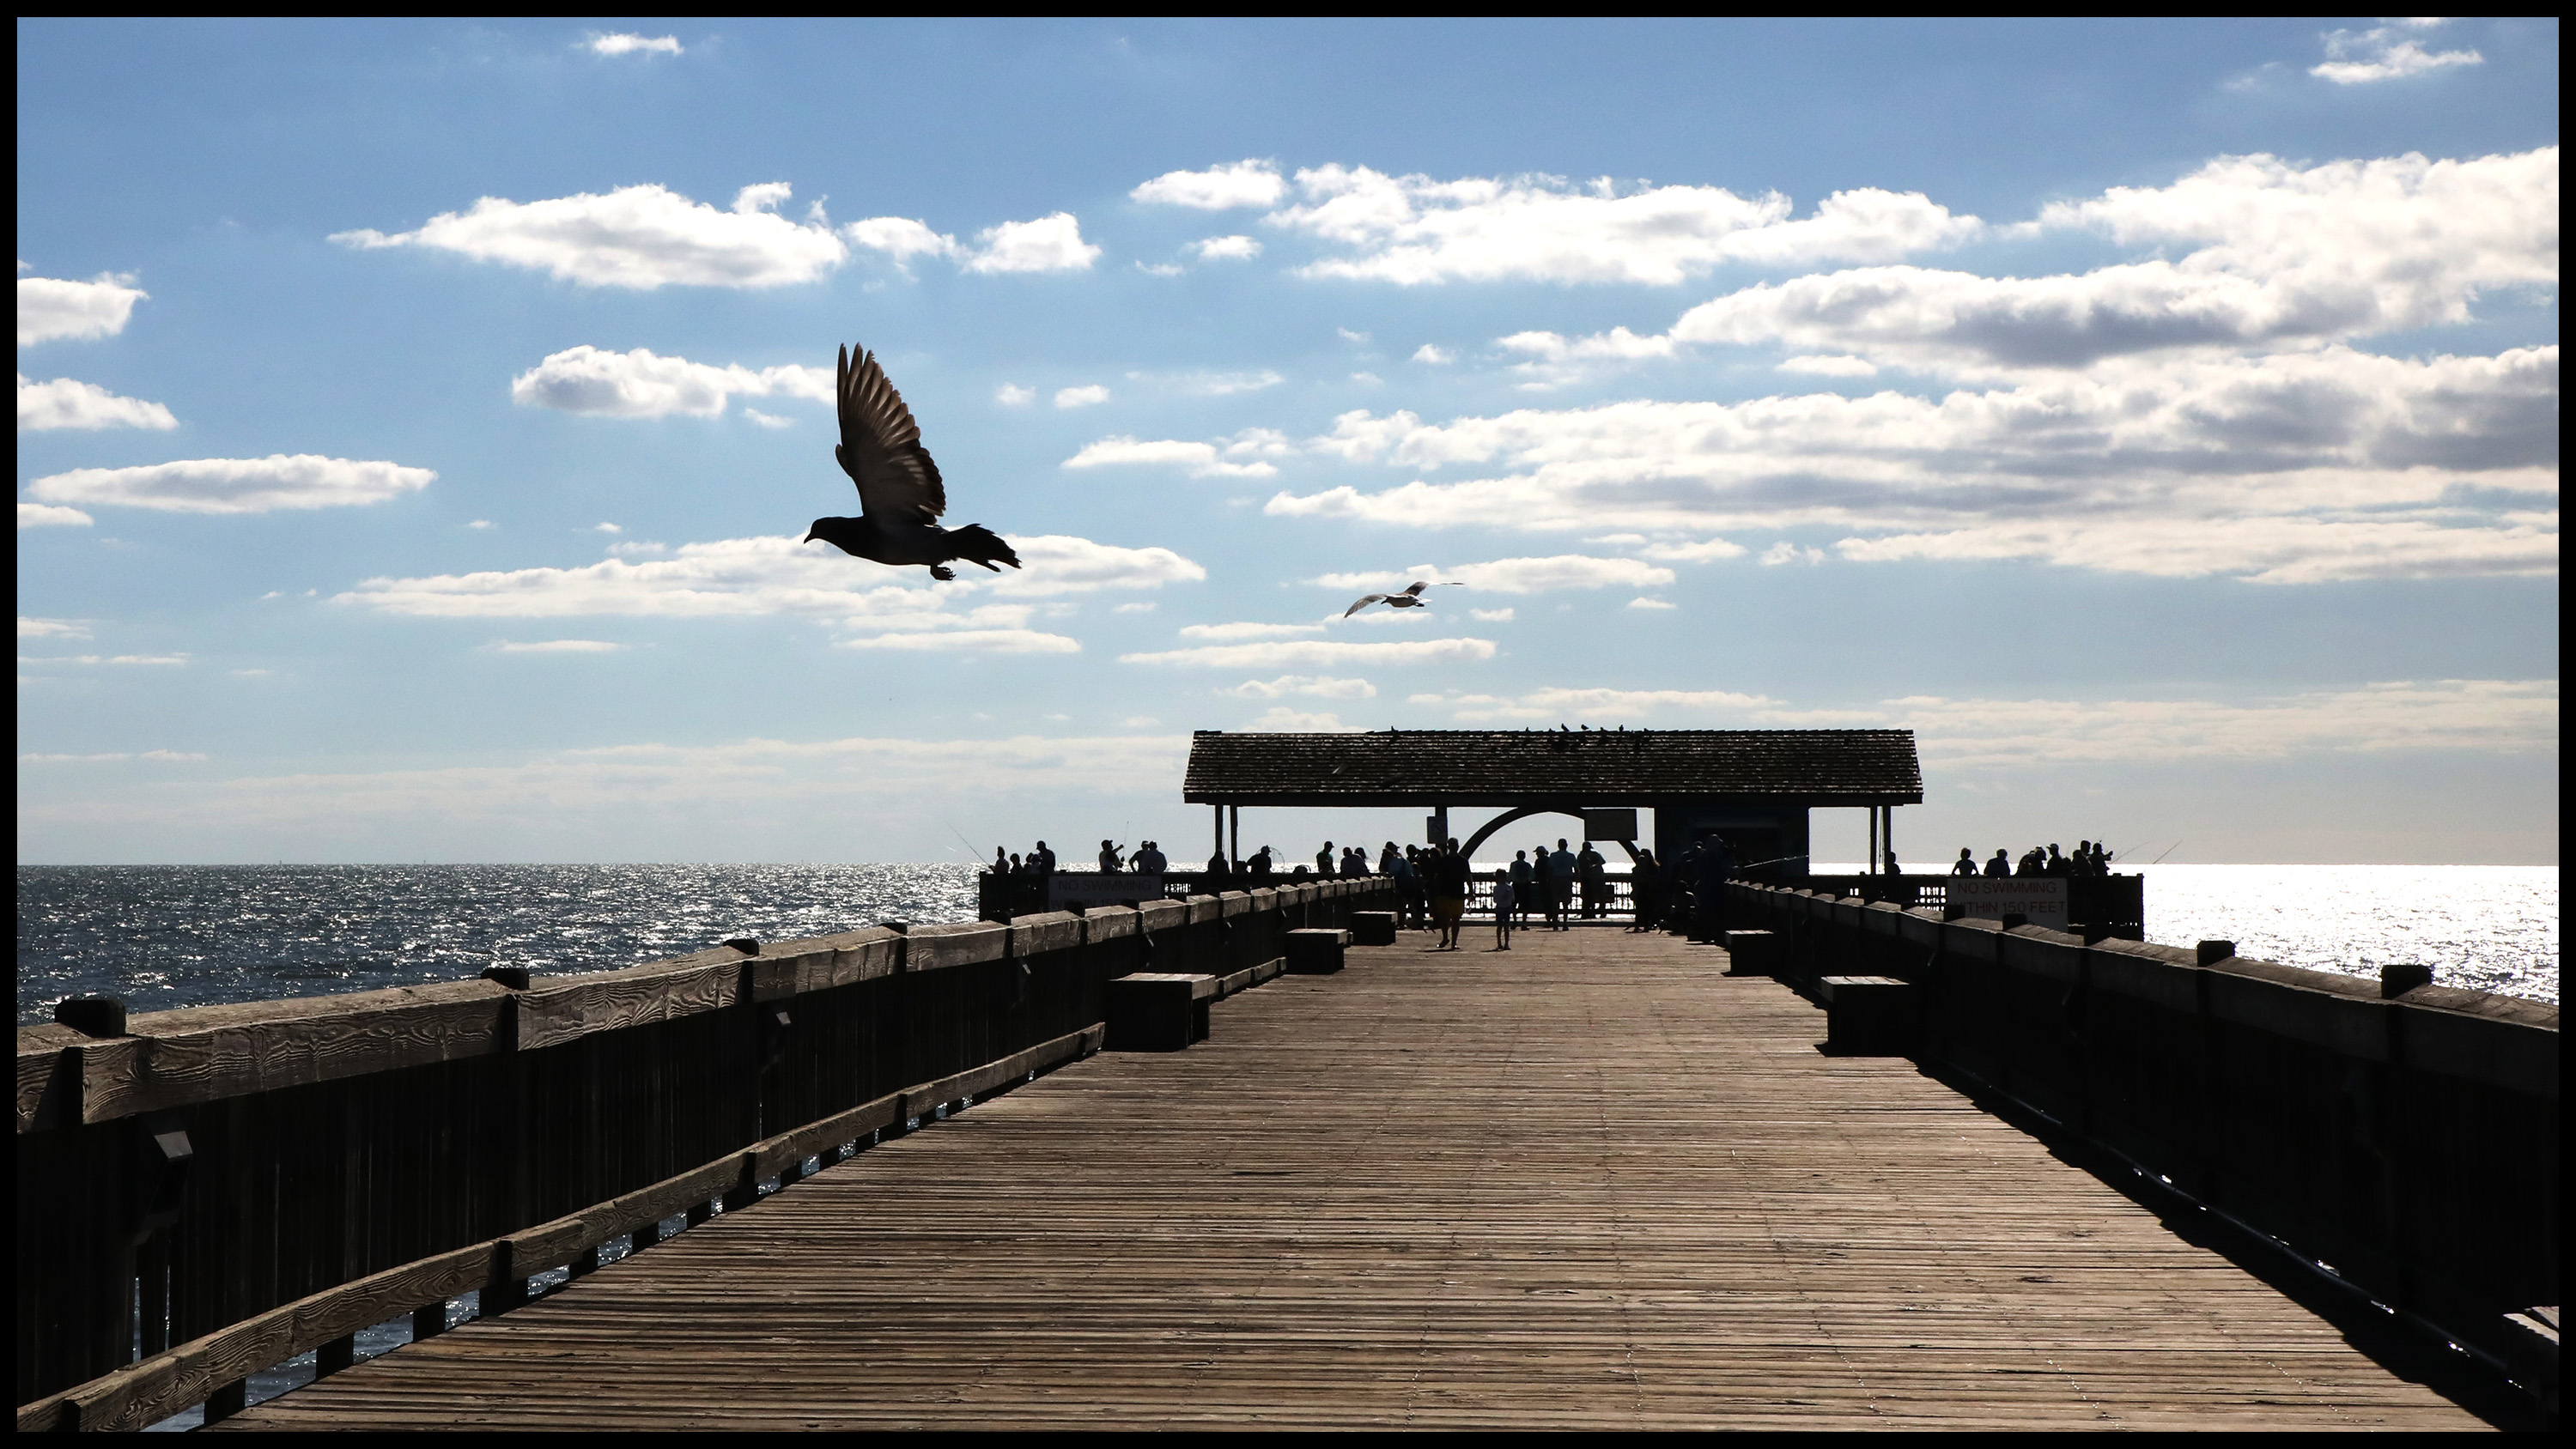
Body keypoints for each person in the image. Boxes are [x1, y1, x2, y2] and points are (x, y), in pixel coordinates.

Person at [1430, 840, 1469, 949]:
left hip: (1456, 892)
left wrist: (1471, 891)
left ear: (1457, 846)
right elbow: (1435, 876)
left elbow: (1467, 876)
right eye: (1451, 845)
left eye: (1454, 845)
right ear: (1448, 847)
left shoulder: (1462, 861)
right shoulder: (1442, 861)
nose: (1452, 847)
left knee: (1456, 919)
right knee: (1444, 917)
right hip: (1444, 892)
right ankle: (1445, 938)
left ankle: (1453, 942)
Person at [1628, 847, 1662, 931]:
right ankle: (1638, 925)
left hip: (1649, 889)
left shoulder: (1653, 868)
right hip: (1640, 888)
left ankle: (1646, 925)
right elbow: (1634, 877)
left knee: (1648, 908)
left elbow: (1655, 878)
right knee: (1639, 908)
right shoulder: (1638, 867)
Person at [1391, 846, 1422, 931]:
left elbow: (1393, 872)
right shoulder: (1406, 862)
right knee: (1411, 905)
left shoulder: (1399, 862)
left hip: (1403, 886)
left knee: (1402, 906)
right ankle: (1416, 922)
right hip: (1411, 885)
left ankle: (1402, 923)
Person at [1550, 840, 1578, 930]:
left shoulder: (1553, 855)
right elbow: (1577, 869)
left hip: (1556, 879)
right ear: (1566, 845)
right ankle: (1565, 923)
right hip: (1566, 879)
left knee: (1555, 902)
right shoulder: (1571, 856)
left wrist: (1549, 880)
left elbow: (1550, 869)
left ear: (1558, 845)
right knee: (1566, 903)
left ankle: (1555, 922)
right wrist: (1575, 878)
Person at [1577, 841, 1607, 919]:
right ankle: (1595, 912)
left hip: (1591, 878)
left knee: (1591, 896)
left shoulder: (1582, 856)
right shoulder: (1586, 855)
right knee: (1595, 896)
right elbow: (1603, 861)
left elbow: (1579, 867)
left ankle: (1593, 912)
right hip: (1592, 878)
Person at [1492, 868, 1516, 950]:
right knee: (1505, 927)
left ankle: (1500, 943)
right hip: (1507, 907)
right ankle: (1505, 944)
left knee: (1500, 927)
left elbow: (1495, 900)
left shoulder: (1496, 888)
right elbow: (1513, 899)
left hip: (1500, 908)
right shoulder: (1509, 887)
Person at [1510, 850, 1536, 928]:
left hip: (1516, 885)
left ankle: (1515, 921)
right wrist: (1529, 881)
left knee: (1514, 904)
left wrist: (1507, 882)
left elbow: (1511, 874)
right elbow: (1532, 875)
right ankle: (1524, 923)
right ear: (1524, 856)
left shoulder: (1513, 864)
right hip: (1525, 885)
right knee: (1525, 905)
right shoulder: (1527, 865)